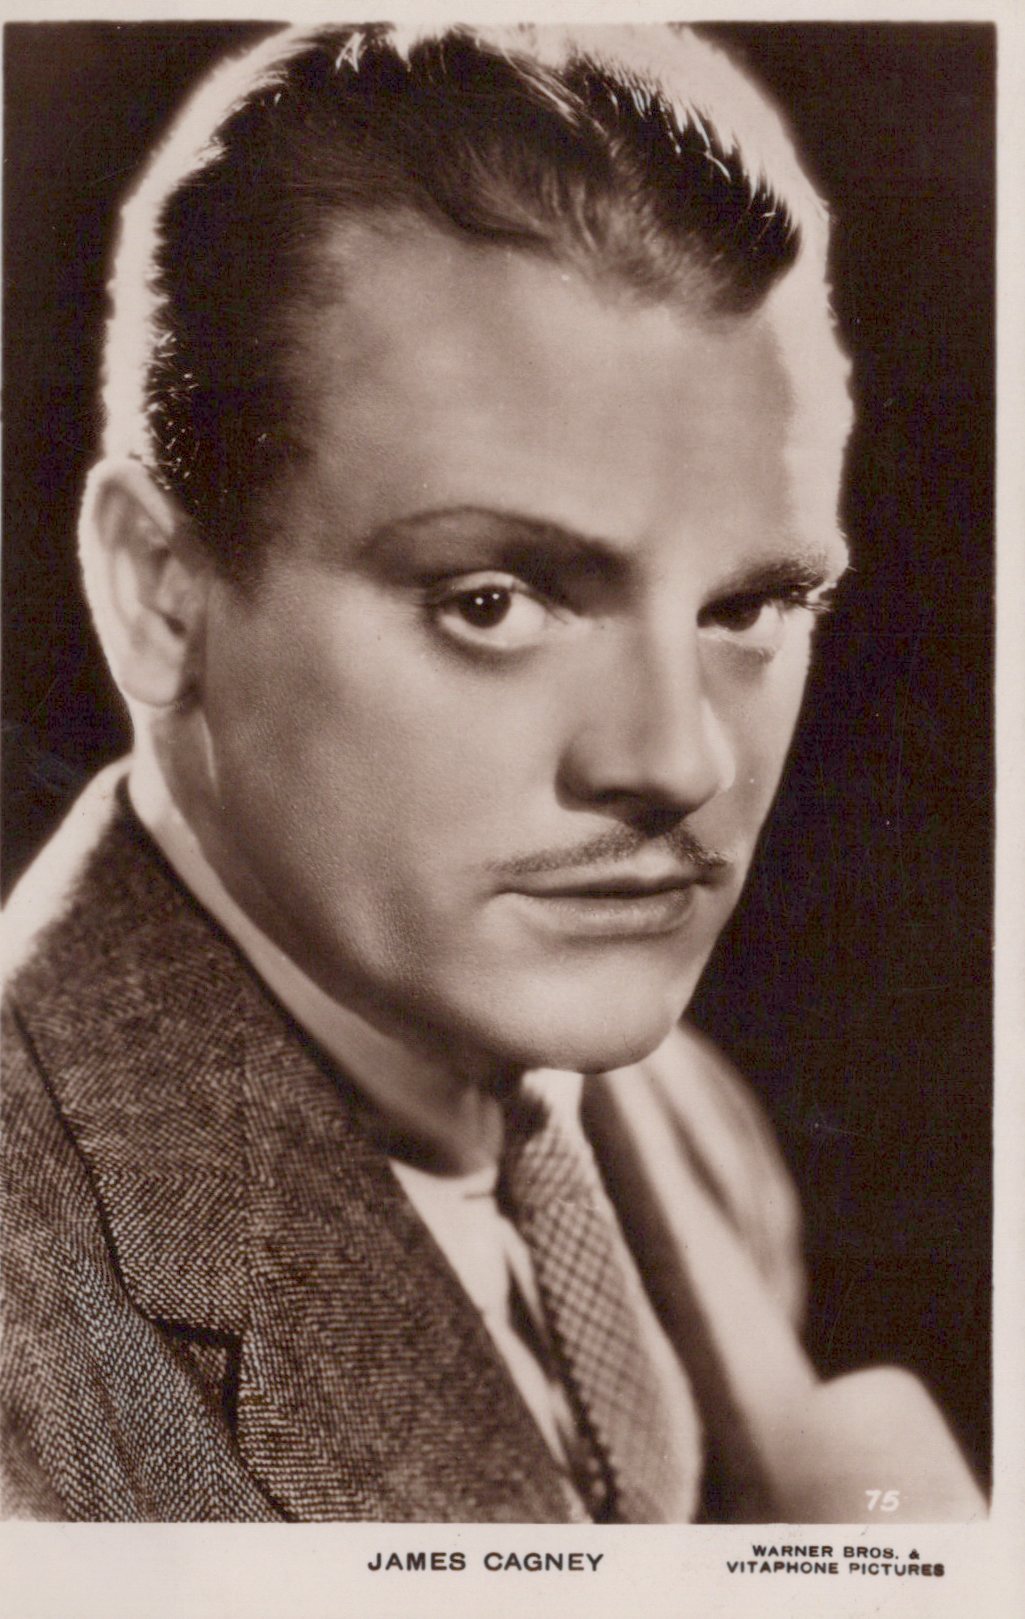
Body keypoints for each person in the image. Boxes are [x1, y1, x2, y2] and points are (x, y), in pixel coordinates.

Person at [1, 21, 983, 1524]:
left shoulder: (675, 1116)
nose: (674, 759)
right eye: (492, 603)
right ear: (157, 591)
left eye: (749, 608)